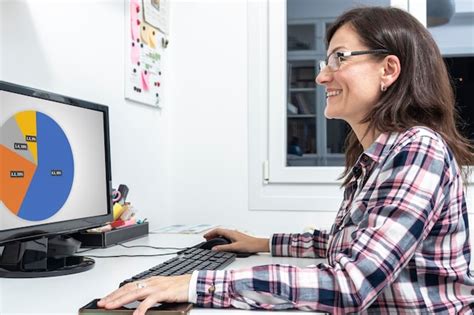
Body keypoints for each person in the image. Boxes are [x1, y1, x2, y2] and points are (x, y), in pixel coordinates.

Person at [98, 6, 474, 314]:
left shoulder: (417, 150)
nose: (321, 76)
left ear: (389, 70)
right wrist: (261, 242)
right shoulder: (381, 155)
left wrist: (195, 283)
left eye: (339, 58)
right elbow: (347, 245)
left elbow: (349, 285)